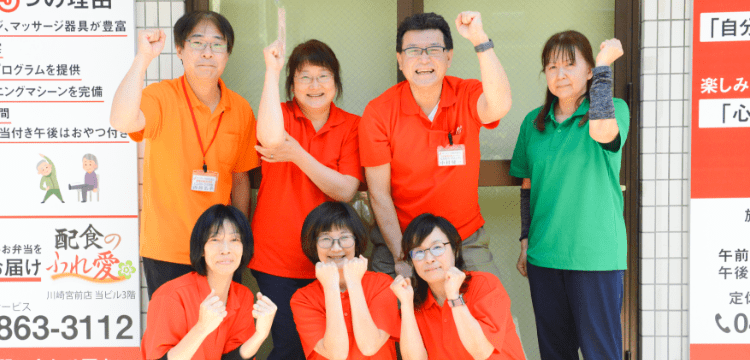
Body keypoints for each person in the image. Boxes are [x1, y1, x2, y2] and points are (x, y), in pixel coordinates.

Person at [109, 11, 259, 298]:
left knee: (223, 338)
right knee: (174, 340)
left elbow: (240, 180)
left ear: (227, 54)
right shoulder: (160, 96)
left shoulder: (240, 109)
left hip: (221, 251)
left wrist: (239, 241)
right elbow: (121, 121)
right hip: (167, 249)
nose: (207, 52)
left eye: (217, 44)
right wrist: (142, 58)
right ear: (179, 49)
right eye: (197, 43)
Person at [359, 11, 512, 279]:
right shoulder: (379, 112)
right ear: (400, 60)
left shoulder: (466, 94)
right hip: (402, 239)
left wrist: (479, 39)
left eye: (433, 49)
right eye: (413, 51)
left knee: (489, 311)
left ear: (449, 57)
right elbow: (379, 195)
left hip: (463, 239)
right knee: (386, 313)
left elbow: (499, 106)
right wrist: (401, 257)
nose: (424, 59)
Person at [509, 30, 629, 360]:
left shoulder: (613, 109)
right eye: (551, 67)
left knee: (600, 353)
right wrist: (524, 240)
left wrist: (605, 67)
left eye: (570, 65)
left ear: (589, 71)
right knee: (555, 354)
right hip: (544, 258)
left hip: (596, 257)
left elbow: (603, 131)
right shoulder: (534, 122)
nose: (559, 74)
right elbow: (528, 184)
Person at [248, 15, 362, 359]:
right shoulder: (277, 114)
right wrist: (271, 70)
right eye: (304, 78)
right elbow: (269, 138)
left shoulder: (351, 126)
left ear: (336, 82)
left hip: (333, 255)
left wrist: (297, 154)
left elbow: (345, 190)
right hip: (276, 257)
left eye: (323, 76)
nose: (315, 85)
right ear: (291, 84)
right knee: (289, 346)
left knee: (331, 345)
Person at [141, 204, 276, 360]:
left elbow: (231, 357)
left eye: (234, 239)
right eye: (215, 239)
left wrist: (260, 335)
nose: (226, 249)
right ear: (201, 249)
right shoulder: (170, 296)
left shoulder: (243, 296)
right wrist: (202, 328)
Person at [391, 214, 525, 360]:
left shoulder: (484, 284)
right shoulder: (416, 303)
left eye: (437, 248)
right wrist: (406, 304)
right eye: (418, 252)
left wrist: (454, 297)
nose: (429, 259)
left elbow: (481, 352)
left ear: (455, 250)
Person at [290, 202, 400, 360]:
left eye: (345, 237)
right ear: (314, 245)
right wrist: (330, 287)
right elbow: (336, 354)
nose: (336, 248)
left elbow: (370, 346)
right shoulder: (303, 299)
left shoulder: (382, 284)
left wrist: (354, 283)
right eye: (326, 239)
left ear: (356, 241)